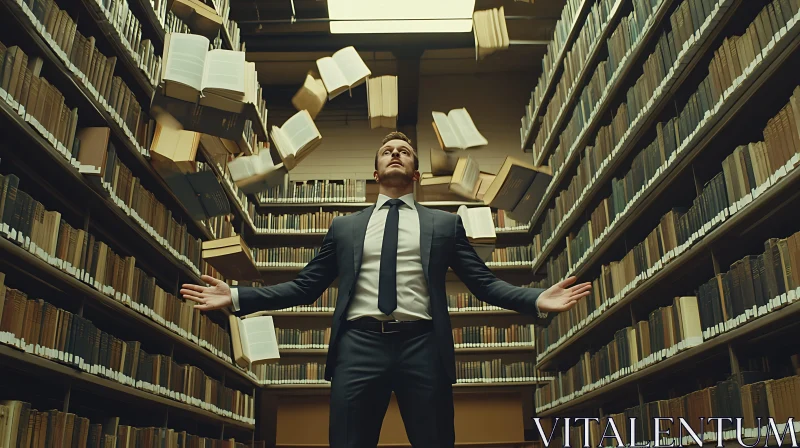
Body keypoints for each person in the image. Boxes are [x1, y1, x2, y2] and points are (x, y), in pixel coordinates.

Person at [181, 131, 590, 448]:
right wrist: (235, 297)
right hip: (359, 346)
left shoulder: (444, 225)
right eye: (387, 151)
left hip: (423, 346)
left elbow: (483, 284)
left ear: (415, 173)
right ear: (376, 173)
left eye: (404, 151)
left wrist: (535, 297)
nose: (396, 152)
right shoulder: (345, 228)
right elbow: (306, 287)